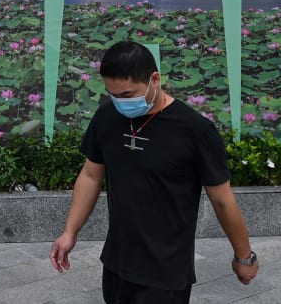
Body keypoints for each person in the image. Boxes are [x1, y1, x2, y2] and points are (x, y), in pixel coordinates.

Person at [50, 41, 259, 303]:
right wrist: (70, 232)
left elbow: (222, 199)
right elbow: (91, 175)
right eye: (112, 94)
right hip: (117, 262)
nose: (120, 102)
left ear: (155, 79)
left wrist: (244, 256)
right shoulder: (107, 116)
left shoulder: (196, 131)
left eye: (127, 95)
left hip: (166, 271)